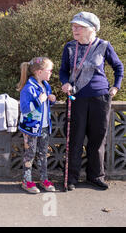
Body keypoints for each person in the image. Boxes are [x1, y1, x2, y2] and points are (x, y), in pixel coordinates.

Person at [60, 12, 123, 191]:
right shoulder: (70, 47)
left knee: (97, 139)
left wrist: (116, 87)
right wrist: (65, 83)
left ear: (92, 29)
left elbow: (118, 66)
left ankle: (95, 176)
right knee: (75, 139)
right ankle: (71, 178)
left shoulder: (104, 46)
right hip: (76, 97)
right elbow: (63, 70)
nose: (75, 29)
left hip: (100, 98)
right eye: (73, 26)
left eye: (79, 27)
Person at [17, 57, 56, 194]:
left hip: (44, 126)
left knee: (43, 154)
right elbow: (25, 109)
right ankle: (26, 181)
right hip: (30, 128)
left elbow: (47, 102)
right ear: (39, 72)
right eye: (49, 70)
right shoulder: (28, 88)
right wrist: (40, 100)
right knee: (30, 154)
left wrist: (52, 100)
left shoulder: (46, 85)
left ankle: (43, 179)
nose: (51, 73)